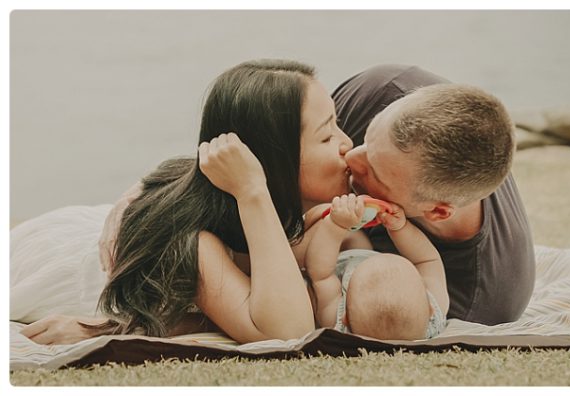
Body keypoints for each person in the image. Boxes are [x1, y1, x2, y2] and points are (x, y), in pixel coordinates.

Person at [15, 59, 356, 344]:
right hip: (61, 260)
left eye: (337, 124)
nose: (346, 142)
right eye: (327, 136)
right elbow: (289, 331)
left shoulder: (292, 209)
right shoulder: (199, 238)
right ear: (271, 158)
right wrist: (252, 190)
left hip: (114, 224)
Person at [331, 65, 534, 325]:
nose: (350, 156)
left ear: (437, 211)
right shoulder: (383, 91)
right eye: (367, 138)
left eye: (375, 173)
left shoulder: (474, 301)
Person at [302, 194, 448, 340]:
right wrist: (400, 228)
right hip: (360, 251)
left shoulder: (335, 319)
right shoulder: (436, 312)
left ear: (345, 317)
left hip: (338, 258)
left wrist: (335, 226)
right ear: (430, 310)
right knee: (355, 238)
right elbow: (427, 260)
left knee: (345, 237)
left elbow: (320, 274)